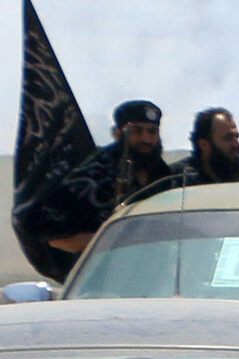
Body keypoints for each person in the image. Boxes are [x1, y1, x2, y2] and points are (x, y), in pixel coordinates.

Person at [36, 99, 174, 255]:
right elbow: (50, 233)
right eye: (137, 131)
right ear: (118, 133)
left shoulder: (163, 175)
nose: (146, 139)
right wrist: (106, 241)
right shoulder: (92, 174)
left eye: (152, 132)